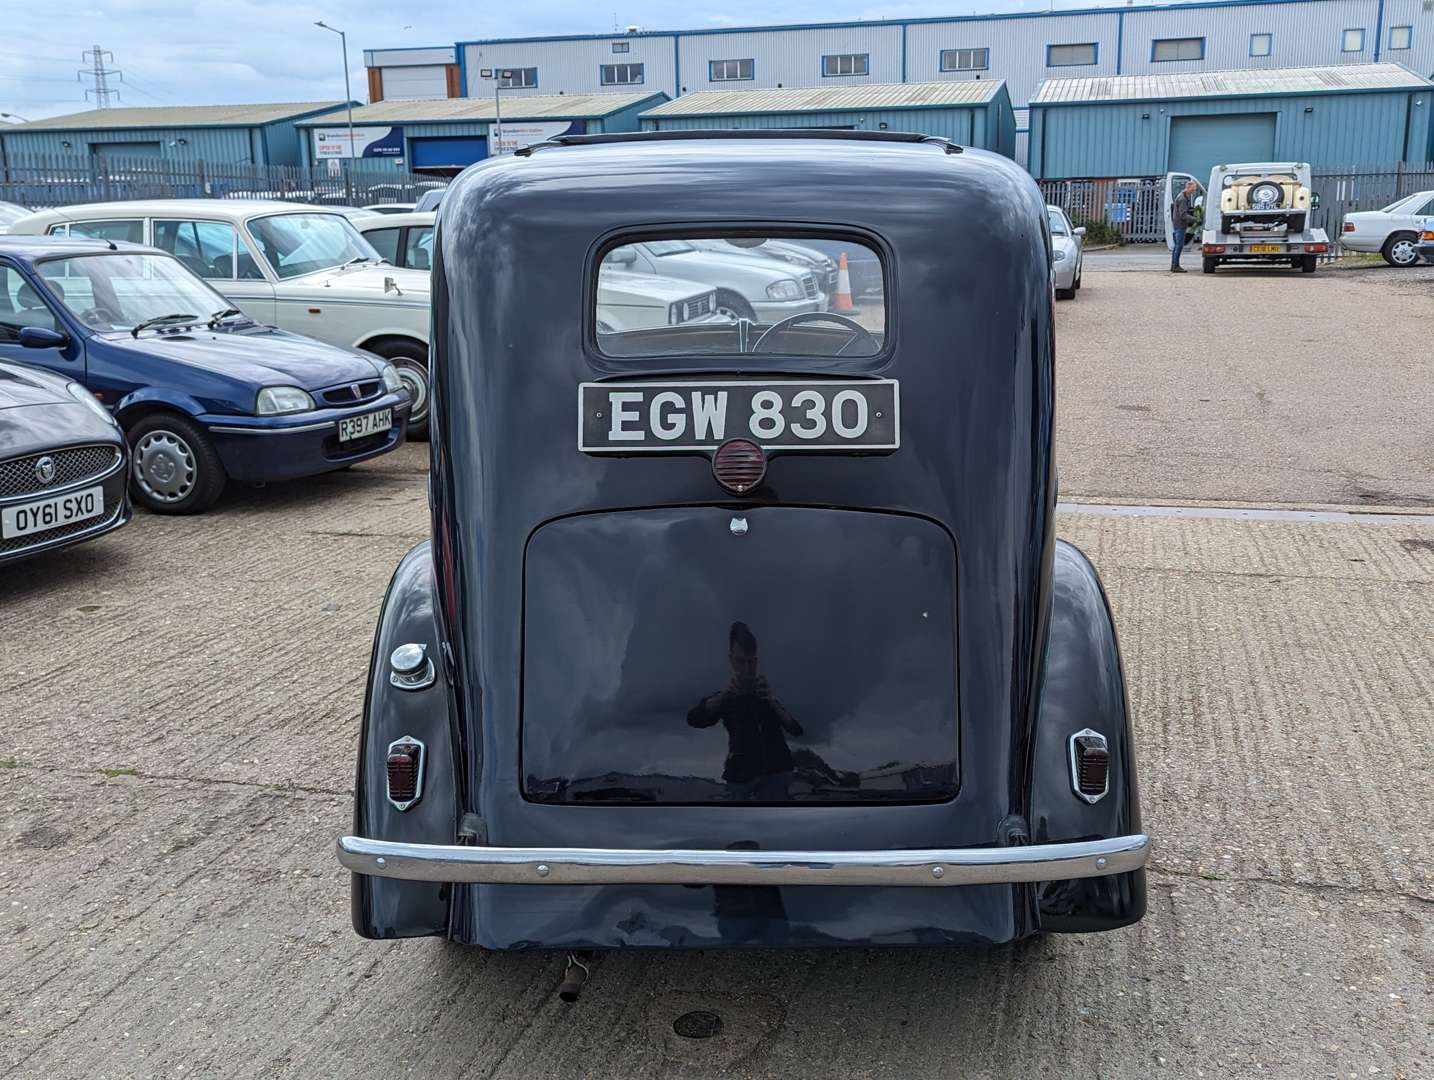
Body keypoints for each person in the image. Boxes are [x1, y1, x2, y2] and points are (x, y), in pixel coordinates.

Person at [687, 621, 803, 801]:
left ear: (756, 660)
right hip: (741, 775)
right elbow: (694, 719)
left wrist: (772, 702)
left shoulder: (766, 694)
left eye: (751, 662)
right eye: (740, 662)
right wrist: (724, 695)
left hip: (776, 773)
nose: (747, 669)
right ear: (731, 660)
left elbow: (795, 729)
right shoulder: (725, 698)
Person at [1170, 179, 1198, 273]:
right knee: (1179, 245)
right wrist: (1195, 219)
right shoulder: (1182, 199)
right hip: (1180, 224)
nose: (1194, 191)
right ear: (1188, 188)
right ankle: (1175, 265)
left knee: (1177, 246)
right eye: (1193, 189)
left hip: (1177, 223)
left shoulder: (1183, 197)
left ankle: (1174, 264)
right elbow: (1183, 215)